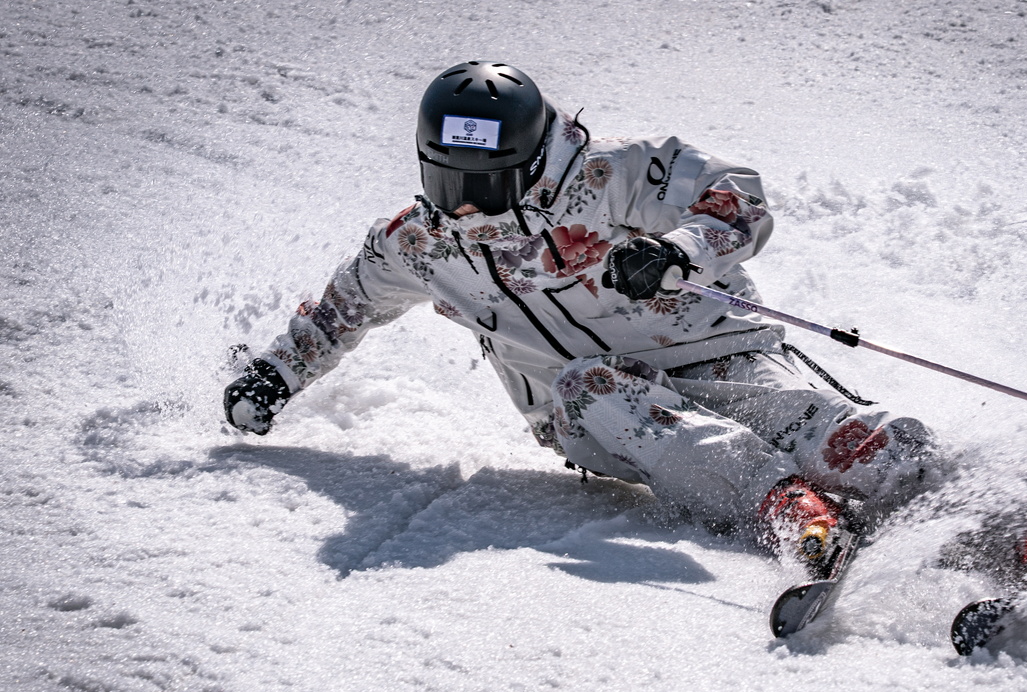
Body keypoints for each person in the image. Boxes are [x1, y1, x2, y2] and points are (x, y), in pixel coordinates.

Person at [223, 61, 946, 580]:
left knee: (827, 430)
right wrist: (276, 375)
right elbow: (342, 310)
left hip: (712, 351)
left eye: (486, 184)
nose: (467, 208)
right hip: (595, 411)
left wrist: (678, 249)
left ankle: (972, 503)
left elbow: (738, 195)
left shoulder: (609, 175)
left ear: (534, 161)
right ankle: (785, 508)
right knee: (594, 384)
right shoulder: (419, 243)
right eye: (449, 182)